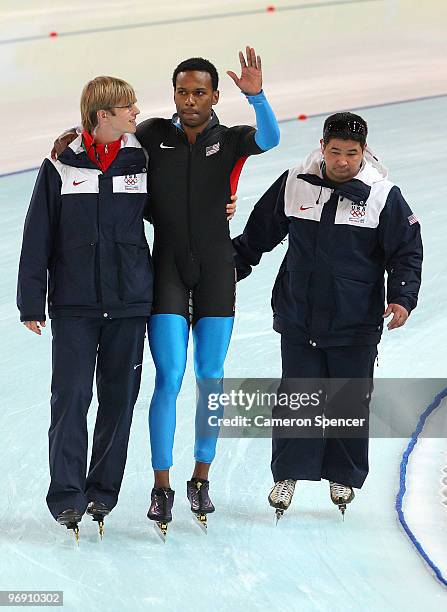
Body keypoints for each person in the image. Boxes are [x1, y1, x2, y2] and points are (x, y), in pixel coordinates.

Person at [52, 47, 280, 536]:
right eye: (182, 91)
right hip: (167, 273)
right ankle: (162, 487)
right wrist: (73, 135)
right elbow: (104, 136)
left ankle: (200, 478)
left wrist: (257, 96)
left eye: (200, 92)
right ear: (173, 94)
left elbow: (272, 137)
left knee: (211, 377)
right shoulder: (152, 134)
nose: (190, 99)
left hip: (218, 270)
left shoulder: (233, 139)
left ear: (216, 95)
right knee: (169, 378)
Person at [232, 111, 422, 519]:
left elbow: (406, 251)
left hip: (354, 320)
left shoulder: (382, 196)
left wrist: (402, 297)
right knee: (297, 395)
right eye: (334, 151)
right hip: (299, 313)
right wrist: (231, 266)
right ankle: (288, 475)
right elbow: (258, 234)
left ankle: (342, 474)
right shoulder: (295, 183)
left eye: (350, 154)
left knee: (348, 399)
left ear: (363, 152)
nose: (341, 161)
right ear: (322, 146)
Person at [17, 76, 153, 541]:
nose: (136, 112)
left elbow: (173, 213)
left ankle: (102, 493)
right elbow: (37, 235)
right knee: (71, 398)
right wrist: (31, 301)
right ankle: (67, 496)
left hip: (131, 302)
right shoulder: (60, 164)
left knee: (119, 401)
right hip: (75, 305)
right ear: (103, 116)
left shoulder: (142, 156)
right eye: (128, 107)